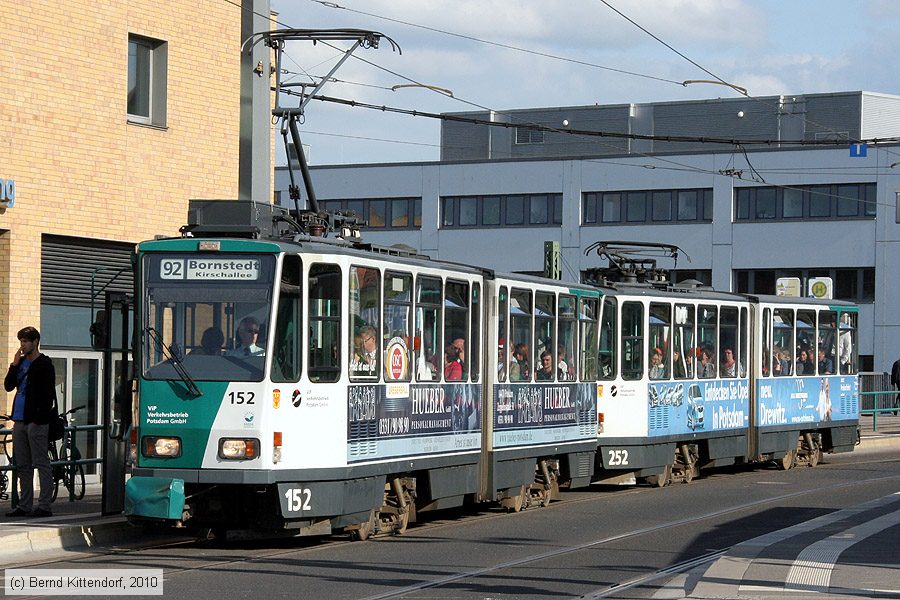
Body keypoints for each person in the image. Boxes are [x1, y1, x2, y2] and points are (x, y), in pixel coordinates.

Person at [4, 327, 56, 518]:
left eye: (26, 341)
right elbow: (8, 386)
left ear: (35, 342)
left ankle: (44, 506)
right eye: (21, 341)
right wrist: (14, 364)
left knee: (41, 463)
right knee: (22, 465)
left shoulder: (44, 364)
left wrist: (38, 419)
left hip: (36, 422)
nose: (23, 345)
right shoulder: (21, 363)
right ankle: (24, 505)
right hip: (19, 420)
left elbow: (48, 395)